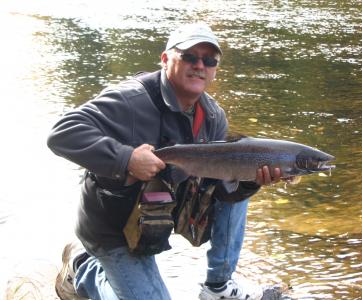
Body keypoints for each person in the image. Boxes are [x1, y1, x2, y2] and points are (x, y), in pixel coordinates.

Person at [48, 23, 285, 300]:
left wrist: (249, 180)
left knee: (241, 173)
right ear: (165, 59)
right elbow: (62, 132)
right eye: (189, 56)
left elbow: (219, 192)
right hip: (112, 227)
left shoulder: (213, 117)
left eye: (209, 60)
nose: (200, 65)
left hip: (164, 209)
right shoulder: (130, 99)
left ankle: (218, 286)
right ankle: (85, 269)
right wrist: (127, 158)